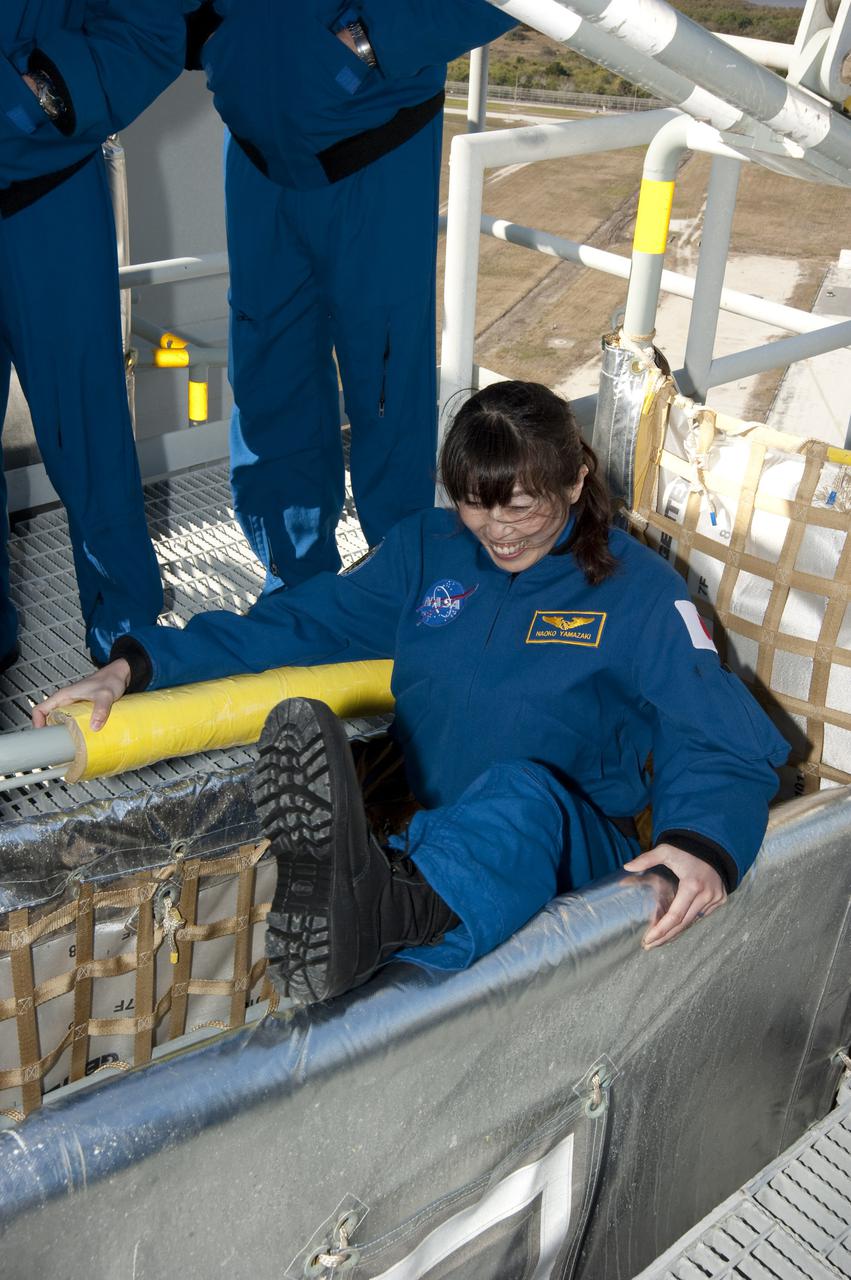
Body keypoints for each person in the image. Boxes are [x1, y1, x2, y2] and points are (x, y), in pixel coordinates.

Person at [34, 381, 789, 1006]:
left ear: (575, 478)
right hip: (429, 838)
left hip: (568, 850)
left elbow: (718, 736)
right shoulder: (428, 550)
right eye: (472, 503)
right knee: (353, 795)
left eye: (521, 506)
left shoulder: (637, 593)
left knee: (521, 794)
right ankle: (383, 903)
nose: (496, 530)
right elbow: (297, 621)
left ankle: (385, 916)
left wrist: (701, 844)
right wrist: (136, 666)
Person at [182, 0, 515, 592]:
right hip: (257, 151)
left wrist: (370, 40)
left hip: (377, 143)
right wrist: (215, 36)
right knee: (269, 377)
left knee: (384, 380)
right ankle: (295, 582)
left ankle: (399, 587)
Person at [0, 1, 192, 664]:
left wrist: (33, 97)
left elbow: (151, 25)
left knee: (88, 432)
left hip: (47, 189)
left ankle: (129, 649)